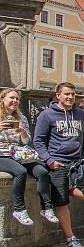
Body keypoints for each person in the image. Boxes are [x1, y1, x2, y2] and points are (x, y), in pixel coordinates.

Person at [33, 82, 84, 247]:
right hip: (58, 163)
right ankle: (70, 238)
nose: (70, 97)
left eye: (73, 94)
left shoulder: (80, 114)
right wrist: (49, 160)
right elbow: (38, 141)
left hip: (77, 163)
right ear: (57, 95)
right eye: (66, 94)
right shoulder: (47, 115)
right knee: (61, 202)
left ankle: (61, 192)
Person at [0, 88, 58, 227]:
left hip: (18, 154)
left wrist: (22, 132)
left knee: (42, 171)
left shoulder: (21, 117)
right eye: (11, 98)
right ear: (2, 99)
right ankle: (19, 210)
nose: (15, 101)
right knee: (21, 172)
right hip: (2, 155)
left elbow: (26, 142)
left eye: (17, 99)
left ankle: (46, 208)